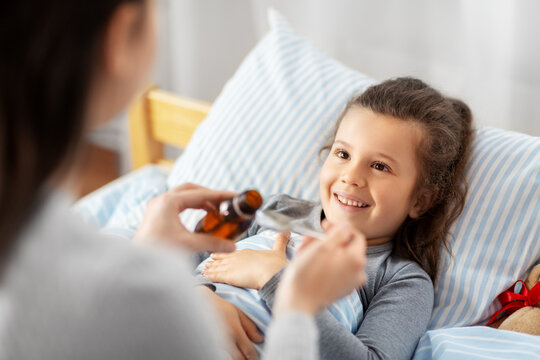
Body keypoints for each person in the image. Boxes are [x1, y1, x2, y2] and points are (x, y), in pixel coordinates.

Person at [0, 1, 368, 359]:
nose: (353, 176)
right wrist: (296, 306)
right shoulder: (153, 302)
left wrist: (145, 252)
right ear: (120, 34)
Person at [201, 77, 474, 359]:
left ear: (420, 200)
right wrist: (197, 296)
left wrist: (274, 279)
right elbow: (185, 258)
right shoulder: (276, 209)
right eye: (343, 153)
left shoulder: (399, 279)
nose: (351, 176)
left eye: (380, 166)